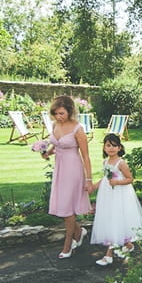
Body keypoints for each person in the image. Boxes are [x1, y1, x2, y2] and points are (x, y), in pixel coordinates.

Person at [42, 96, 93, 258]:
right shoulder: (55, 124)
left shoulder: (78, 129)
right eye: (56, 113)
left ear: (70, 111)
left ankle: (68, 244)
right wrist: (47, 152)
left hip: (73, 170)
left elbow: (85, 156)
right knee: (63, 207)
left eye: (62, 113)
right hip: (60, 169)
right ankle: (79, 232)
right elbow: (56, 143)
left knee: (67, 208)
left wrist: (89, 180)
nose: (58, 117)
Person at [90, 134, 142, 266]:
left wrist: (117, 182)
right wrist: (94, 186)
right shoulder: (105, 162)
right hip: (108, 195)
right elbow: (106, 178)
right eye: (108, 145)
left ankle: (108, 255)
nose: (111, 148)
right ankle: (128, 245)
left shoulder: (121, 163)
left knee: (116, 219)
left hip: (120, 195)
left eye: (114, 145)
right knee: (111, 219)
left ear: (119, 148)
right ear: (104, 147)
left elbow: (129, 179)